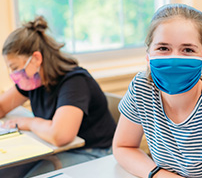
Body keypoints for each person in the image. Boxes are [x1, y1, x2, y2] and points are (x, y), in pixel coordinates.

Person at [113, 4, 202, 178]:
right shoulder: (141, 88)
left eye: (187, 50)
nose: (174, 59)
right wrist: (159, 175)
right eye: (163, 48)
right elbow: (123, 146)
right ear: (148, 55)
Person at [0, 16, 116, 178]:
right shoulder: (33, 81)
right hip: (56, 149)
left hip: (94, 152)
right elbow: (2, 107)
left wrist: (29, 122)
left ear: (36, 59)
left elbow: (60, 135)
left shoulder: (74, 82)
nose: (13, 75)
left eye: (15, 68)